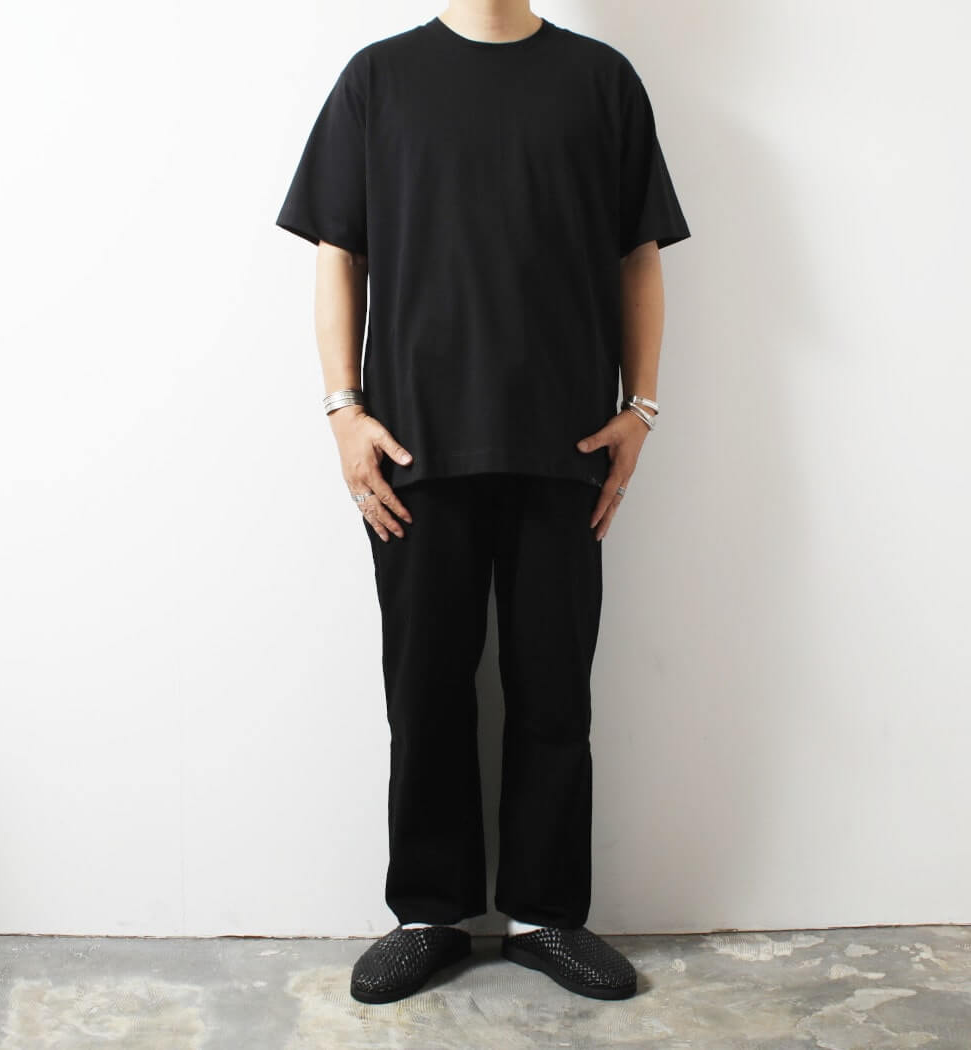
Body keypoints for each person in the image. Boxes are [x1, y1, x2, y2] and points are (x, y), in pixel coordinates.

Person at [275, 0, 691, 1005]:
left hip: (566, 446)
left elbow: (638, 253)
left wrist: (640, 408)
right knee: (425, 688)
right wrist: (342, 410)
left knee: (554, 690)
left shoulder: (600, 82)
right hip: (414, 446)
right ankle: (431, 913)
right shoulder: (378, 80)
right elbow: (337, 249)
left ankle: (548, 916)